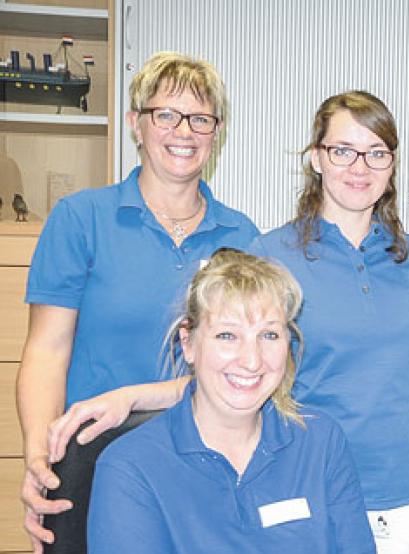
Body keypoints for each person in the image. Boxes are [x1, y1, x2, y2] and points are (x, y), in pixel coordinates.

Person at [17, 51, 258, 551]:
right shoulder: (81, 219)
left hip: (208, 466)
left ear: (217, 133)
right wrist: (41, 457)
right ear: (136, 123)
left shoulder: (242, 236)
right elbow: (47, 351)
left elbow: (249, 369)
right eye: (165, 114)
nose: (183, 131)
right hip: (94, 461)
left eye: (200, 118)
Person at [248, 90, 409, 554]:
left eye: (376, 153)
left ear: (391, 166)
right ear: (317, 158)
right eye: (343, 151)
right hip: (307, 487)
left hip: (407, 500)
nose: (360, 167)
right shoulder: (270, 256)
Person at [85, 249, 374, 553]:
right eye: (227, 335)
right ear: (188, 343)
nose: (252, 360)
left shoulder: (321, 442)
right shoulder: (131, 466)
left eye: (269, 335)